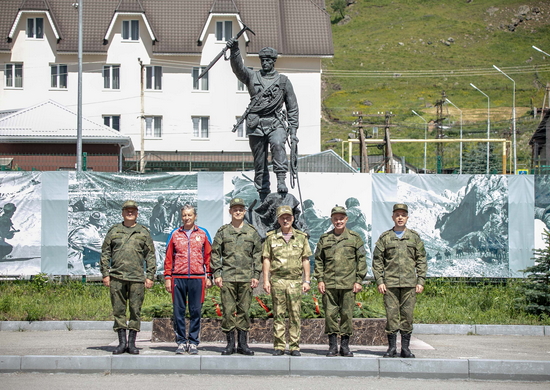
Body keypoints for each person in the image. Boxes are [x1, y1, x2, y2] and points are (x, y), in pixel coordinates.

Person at [227, 38, 299, 197]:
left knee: (278, 144)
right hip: (256, 123)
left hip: (275, 122)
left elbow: (292, 107)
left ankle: (281, 180)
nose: (265, 63)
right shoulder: (252, 76)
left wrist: (293, 132)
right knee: (259, 160)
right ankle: (262, 191)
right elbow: (238, 69)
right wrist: (235, 50)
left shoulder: (283, 81)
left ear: (273, 62)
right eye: (263, 60)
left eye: (268, 60)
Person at [100, 200, 156, 355]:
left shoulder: (143, 232)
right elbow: (105, 253)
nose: (130, 213)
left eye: (133, 210)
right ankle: (121, 343)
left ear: (137, 213)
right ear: (122, 213)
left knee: (135, 311)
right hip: (117, 277)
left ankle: (132, 343)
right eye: (127, 210)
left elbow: (150, 255)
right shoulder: (114, 231)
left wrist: (150, 276)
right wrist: (105, 274)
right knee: (119, 310)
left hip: (137, 278)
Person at [372, 203, 427, 358]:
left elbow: (421, 260)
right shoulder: (385, 238)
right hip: (390, 285)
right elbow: (377, 261)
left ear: (407, 217)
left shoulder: (414, 237)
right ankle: (391, 348)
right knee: (391, 317)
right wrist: (380, 281)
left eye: (403, 215)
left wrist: (420, 281)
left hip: (410, 285)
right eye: (397, 215)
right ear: (393, 217)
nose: (400, 217)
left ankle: (405, 349)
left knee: (407, 316)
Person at [211, 197, 262, 355]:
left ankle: (242, 344)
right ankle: (229, 344)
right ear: (230, 211)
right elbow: (215, 254)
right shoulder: (223, 232)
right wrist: (217, 274)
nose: (238, 212)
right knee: (227, 311)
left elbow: (258, 254)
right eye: (235, 209)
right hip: (228, 278)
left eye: (240, 209)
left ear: (244, 212)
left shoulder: (252, 232)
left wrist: (256, 275)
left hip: (246, 278)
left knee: (244, 311)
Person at [314, 206, 367, 357]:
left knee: (346, 314)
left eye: (341, 218)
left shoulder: (354, 238)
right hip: (329, 284)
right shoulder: (325, 239)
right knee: (330, 315)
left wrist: (359, 280)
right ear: (332, 220)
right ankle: (332, 347)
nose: (338, 221)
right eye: (335, 219)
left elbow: (361, 260)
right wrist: (320, 279)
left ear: (346, 219)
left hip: (348, 284)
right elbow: (318, 260)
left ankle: (344, 346)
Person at [262, 205, 312, 356]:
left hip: (295, 281)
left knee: (295, 314)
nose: (286, 220)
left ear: (293, 218)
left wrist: (307, 280)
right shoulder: (271, 237)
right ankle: (279, 346)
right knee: (278, 314)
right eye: (282, 217)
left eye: (288, 217)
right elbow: (266, 259)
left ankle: (295, 346)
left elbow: (305, 259)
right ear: (278, 219)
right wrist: (266, 281)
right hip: (278, 280)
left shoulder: (301, 237)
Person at [164, 204, 212, 355]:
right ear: (181, 216)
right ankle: (180, 341)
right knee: (179, 311)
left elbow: (208, 257)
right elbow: (168, 257)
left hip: (197, 277)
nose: (187, 218)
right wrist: (167, 277)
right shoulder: (174, 234)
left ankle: (193, 342)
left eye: (190, 215)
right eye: (184, 215)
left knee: (195, 310)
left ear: (195, 216)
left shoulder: (203, 233)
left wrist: (209, 275)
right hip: (178, 277)